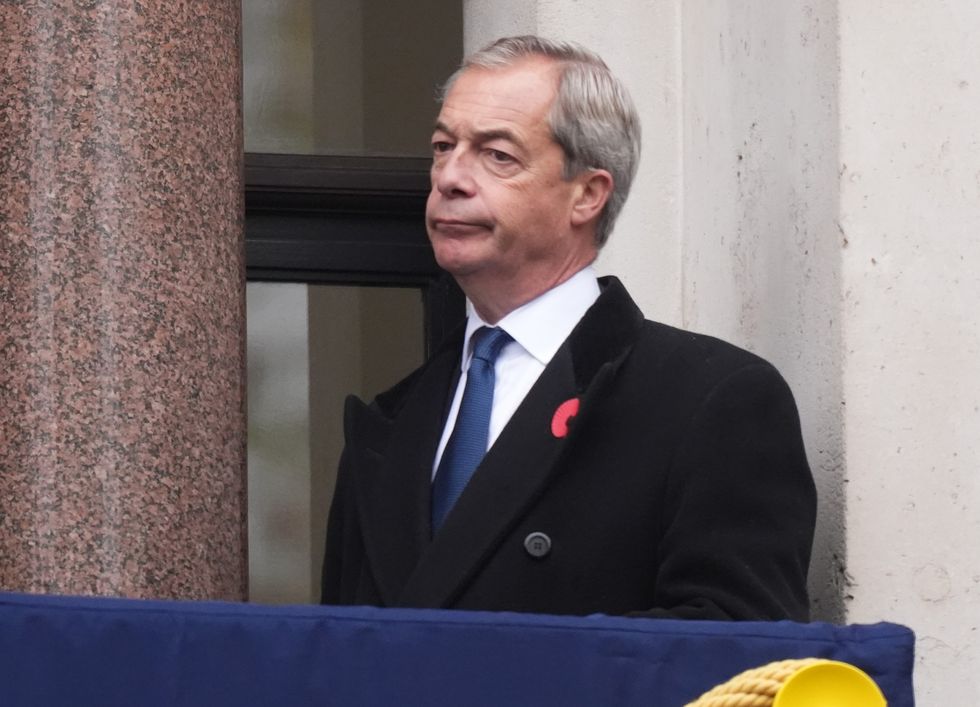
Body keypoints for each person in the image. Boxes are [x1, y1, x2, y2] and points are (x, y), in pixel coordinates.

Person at [321, 35, 816, 621]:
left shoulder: (712, 400)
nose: (450, 177)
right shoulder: (388, 423)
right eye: (442, 146)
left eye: (497, 155)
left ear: (586, 195)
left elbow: (732, 655)